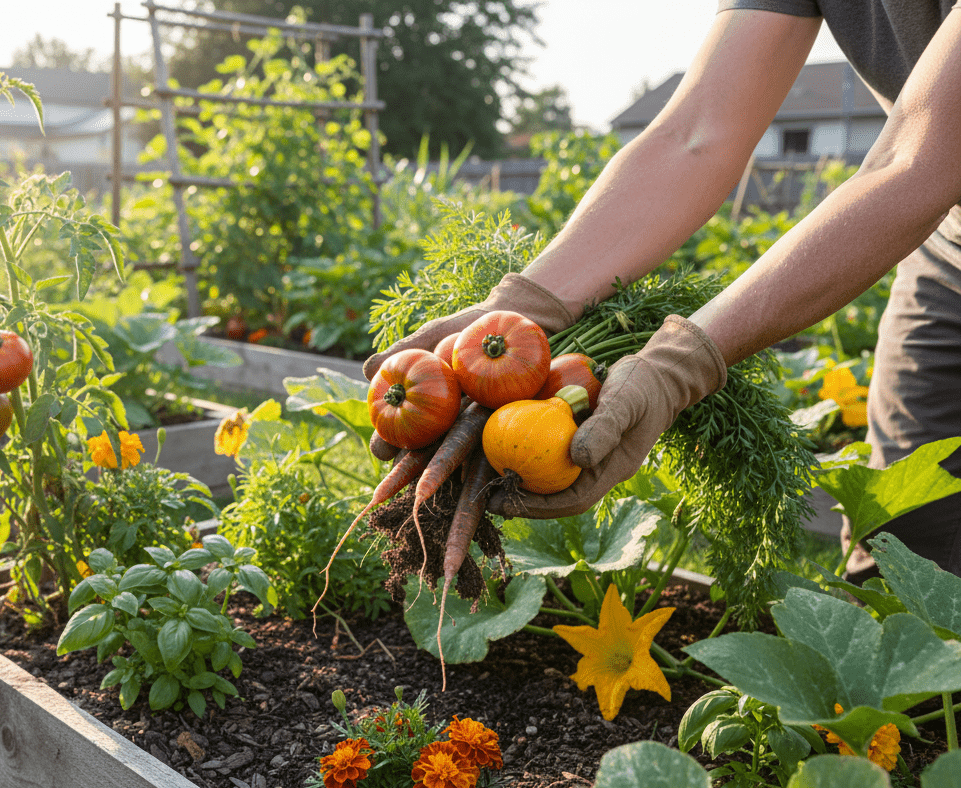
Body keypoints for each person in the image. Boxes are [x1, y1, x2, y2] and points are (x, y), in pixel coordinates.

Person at [363, 1, 961, 577]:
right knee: (910, 543)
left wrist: (681, 363)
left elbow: (919, 160)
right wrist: (527, 302)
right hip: (947, 248)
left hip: (930, 184)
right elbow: (697, 134)